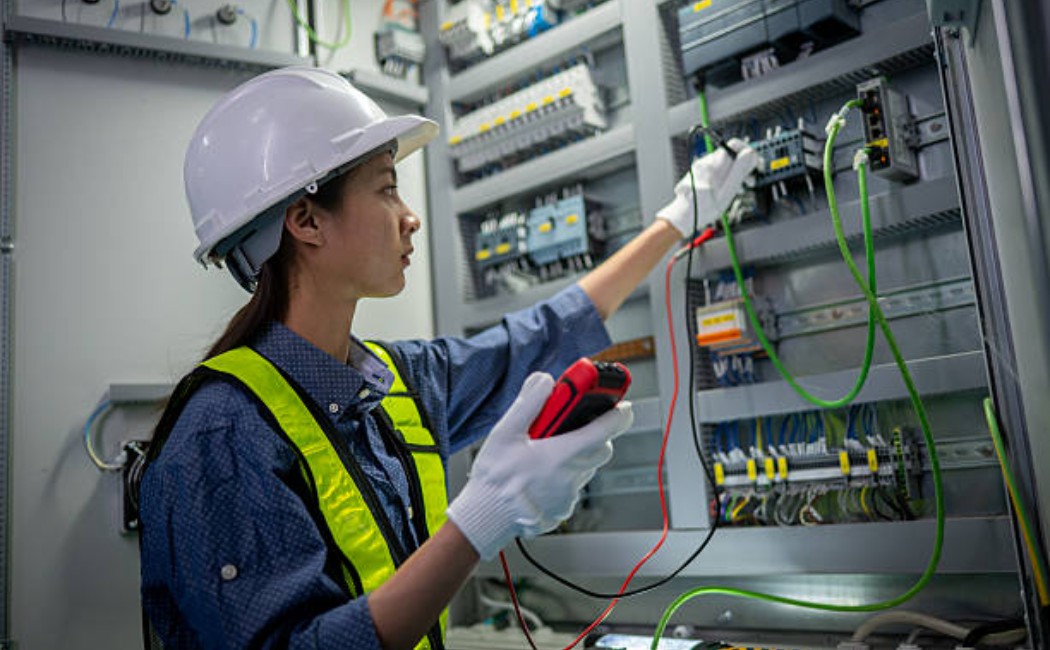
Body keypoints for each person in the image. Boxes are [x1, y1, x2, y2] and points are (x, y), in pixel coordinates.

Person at [139, 66, 758, 650]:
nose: (410, 218)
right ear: (306, 221)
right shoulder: (222, 436)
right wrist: (485, 516)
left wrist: (677, 220)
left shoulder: (396, 383)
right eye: (387, 189)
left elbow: (542, 335)